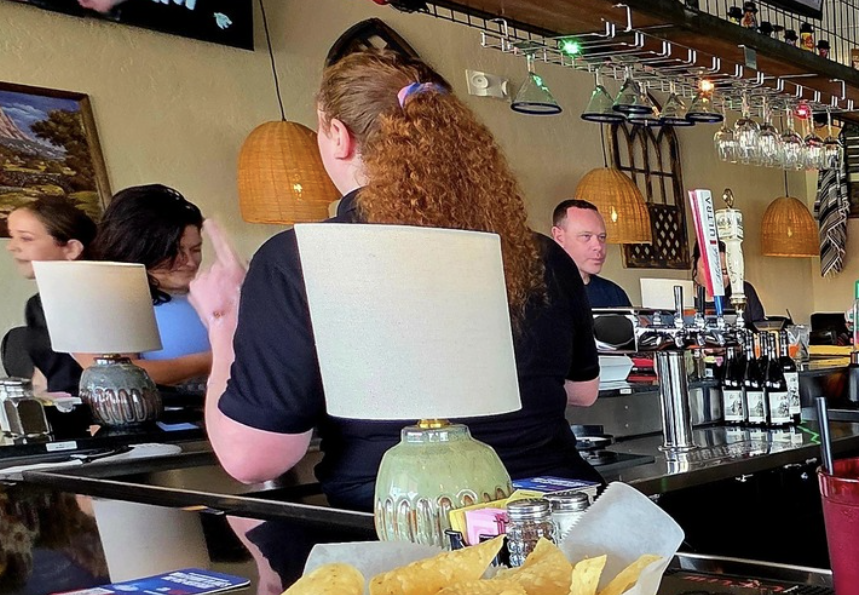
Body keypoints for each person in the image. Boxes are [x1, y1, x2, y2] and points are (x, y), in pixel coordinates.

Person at [197, 51, 599, 511]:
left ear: (338, 136)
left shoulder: (297, 260)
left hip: (401, 530)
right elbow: (581, 392)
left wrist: (223, 321)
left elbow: (255, 457)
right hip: (559, 512)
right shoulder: (538, 252)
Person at [89, 184, 215, 388]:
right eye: (174, 252)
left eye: (196, 249)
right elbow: (122, 375)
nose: (190, 262)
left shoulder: (207, 291)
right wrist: (211, 360)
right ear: (138, 249)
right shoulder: (118, 302)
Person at [0, 196, 93, 394]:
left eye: (26, 238)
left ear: (72, 249)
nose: (12, 246)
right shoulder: (38, 304)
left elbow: (102, 374)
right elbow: (47, 379)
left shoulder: (93, 299)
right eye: (12, 236)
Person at [550, 199, 631, 308]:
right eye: (586, 236)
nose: (598, 246)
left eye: (602, 237)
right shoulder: (539, 293)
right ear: (559, 237)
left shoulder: (614, 294)